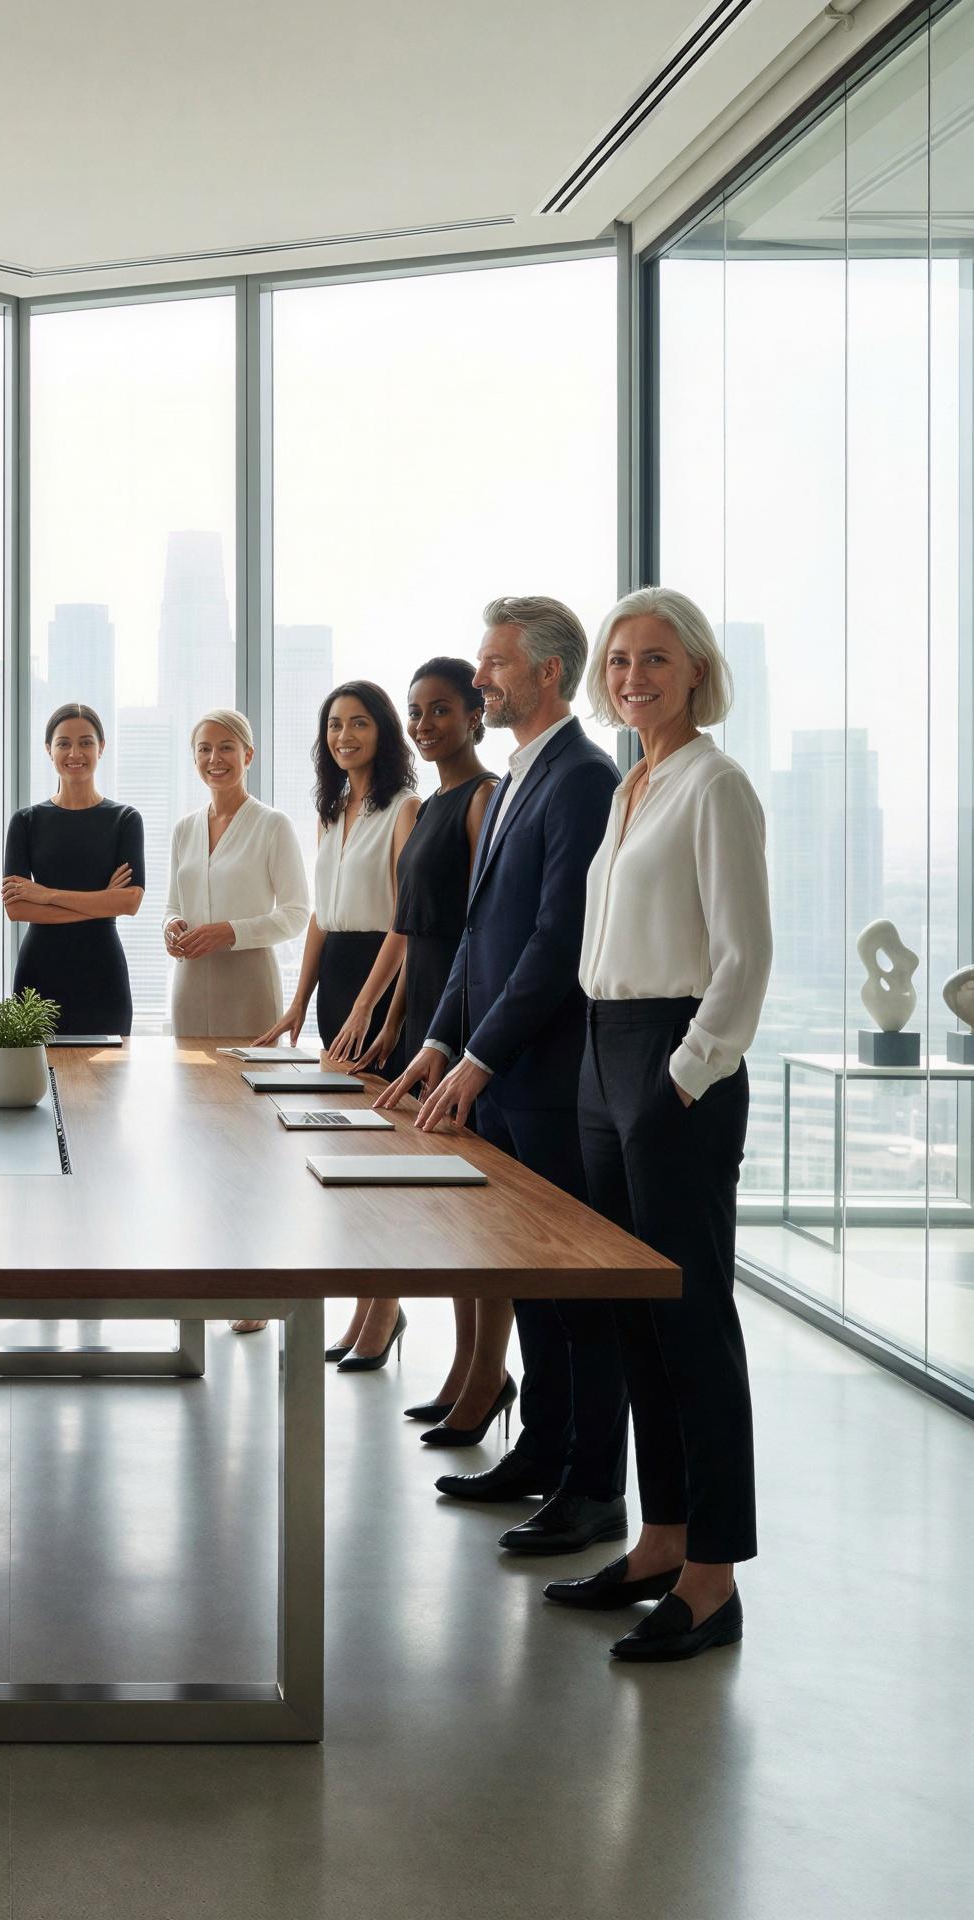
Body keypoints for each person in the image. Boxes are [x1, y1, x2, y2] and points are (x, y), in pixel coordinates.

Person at [374, 597, 629, 1562]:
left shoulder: (581, 779)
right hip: (498, 1072)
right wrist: (441, 1040)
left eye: (495, 664)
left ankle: (593, 1490)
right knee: (535, 1291)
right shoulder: (524, 774)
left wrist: (479, 1056)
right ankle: (543, 1453)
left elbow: (554, 942)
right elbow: (480, 933)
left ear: (549, 672)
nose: (482, 679)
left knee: (576, 1296)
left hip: (550, 1080)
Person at [550, 588, 770, 1662]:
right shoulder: (632, 782)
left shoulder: (713, 784)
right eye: (618, 660)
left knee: (691, 1321)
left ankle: (713, 1575)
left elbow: (743, 957)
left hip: (668, 1058)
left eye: (653, 659)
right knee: (630, 1314)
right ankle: (660, 1537)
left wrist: (681, 1076)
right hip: (603, 1053)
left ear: (693, 670)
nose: (631, 676)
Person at [347, 662, 496, 1405]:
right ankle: (469, 1369)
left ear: (475, 714)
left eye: (441, 709)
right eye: (416, 711)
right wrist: (397, 1021)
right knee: (439, 1194)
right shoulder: (431, 804)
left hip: (465, 1012)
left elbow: (477, 930)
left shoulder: (483, 798)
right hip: (430, 1015)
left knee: (475, 1202)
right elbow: (414, 930)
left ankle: (483, 1373)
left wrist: (450, 1032)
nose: (425, 723)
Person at [255, 680, 417, 1361]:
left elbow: (407, 921)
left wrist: (366, 1006)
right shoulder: (330, 810)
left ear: (383, 730)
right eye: (333, 726)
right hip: (336, 981)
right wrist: (298, 1002)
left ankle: (382, 1309)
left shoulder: (406, 807)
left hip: (380, 980)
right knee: (345, 1155)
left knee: (382, 1157)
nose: (344, 736)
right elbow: (321, 914)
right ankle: (367, 1303)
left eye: (358, 723)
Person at [163, 709, 308, 1039]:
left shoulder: (273, 825)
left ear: (248, 754)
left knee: (250, 1084)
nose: (214, 758)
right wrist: (170, 926)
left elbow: (296, 914)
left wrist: (230, 932)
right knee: (190, 1086)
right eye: (204, 749)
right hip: (188, 985)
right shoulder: (184, 829)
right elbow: (172, 906)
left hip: (250, 987)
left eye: (226, 747)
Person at [3, 704, 146, 1034]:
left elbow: (129, 902)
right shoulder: (25, 821)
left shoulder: (125, 819)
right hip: (39, 970)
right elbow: (17, 908)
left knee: (106, 1080)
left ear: (101, 748)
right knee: (35, 1080)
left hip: (103, 972)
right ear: (48, 749)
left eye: (86, 742)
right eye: (63, 743)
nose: (75, 752)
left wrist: (47, 894)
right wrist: (100, 902)